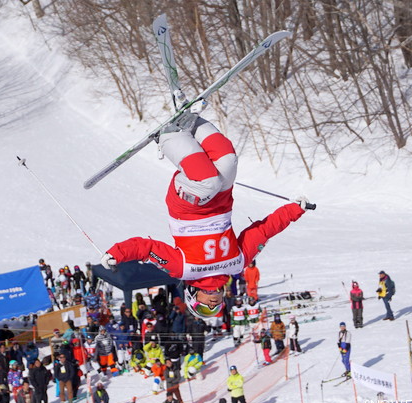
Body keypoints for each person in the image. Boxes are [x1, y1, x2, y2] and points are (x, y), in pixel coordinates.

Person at [99, 116, 311, 321]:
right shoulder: (237, 264)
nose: (212, 303)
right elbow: (263, 232)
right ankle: (194, 123)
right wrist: (294, 210)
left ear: (192, 297)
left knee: (207, 181)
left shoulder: (183, 269)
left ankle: (168, 136)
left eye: (204, 307)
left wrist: (117, 254)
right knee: (228, 163)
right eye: (216, 307)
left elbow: (147, 248)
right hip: (221, 204)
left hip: (188, 209)